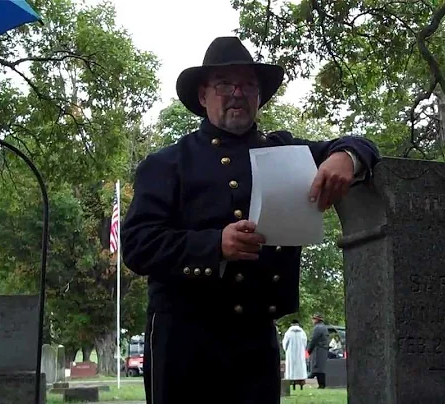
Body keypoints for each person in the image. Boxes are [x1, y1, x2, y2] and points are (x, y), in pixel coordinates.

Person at [121, 36, 380, 404]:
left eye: (248, 85)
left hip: (255, 340)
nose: (237, 93)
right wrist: (215, 246)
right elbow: (136, 245)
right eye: (225, 84)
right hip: (184, 343)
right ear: (203, 96)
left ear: (259, 96)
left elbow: (363, 145)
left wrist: (346, 158)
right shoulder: (167, 163)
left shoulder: (286, 152)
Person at [282, 319, 308, 390]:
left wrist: (286, 350)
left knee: (291, 368)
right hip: (300, 353)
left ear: (291, 324)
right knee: (300, 367)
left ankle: (291, 382)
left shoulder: (288, 332)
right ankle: (301, 384)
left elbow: (285, 343)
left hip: (291, 353)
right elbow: (305, 343)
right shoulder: (302, 332)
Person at [307, 313, 330, 389]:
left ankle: (321, 384)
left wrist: (308, 351)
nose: (312, 321)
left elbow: (313, 340)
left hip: (318, 350)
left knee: (317, 367)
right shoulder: (324, 327)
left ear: (316, 320)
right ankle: (321, 384)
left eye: (313, 319)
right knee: (320, 368)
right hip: (323, 350)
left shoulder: (317, 328)